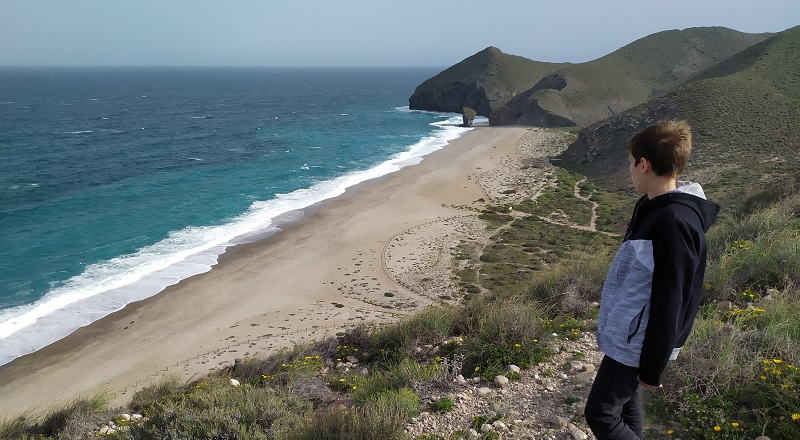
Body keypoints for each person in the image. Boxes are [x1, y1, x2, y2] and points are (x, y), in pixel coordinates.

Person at [584, 120, 720, 439]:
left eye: (630, 164)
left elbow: (672, 296)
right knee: (626, 404)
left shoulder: (674, 220)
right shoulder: (654, 206)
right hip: (632, 333)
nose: (629, 171)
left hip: (639, 339)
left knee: (601, 413)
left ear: (643, 164)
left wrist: (652, 364)